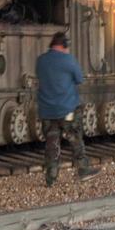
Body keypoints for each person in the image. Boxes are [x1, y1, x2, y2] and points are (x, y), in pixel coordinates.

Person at [36, 31, 99, 186]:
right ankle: (83, 169)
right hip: (67, 110)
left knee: (52, 142)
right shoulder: (68, 60)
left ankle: (51, 176)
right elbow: (79, 79)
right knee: (75, 137)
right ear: (64, 46)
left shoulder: (41, 61)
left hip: (47, 111)